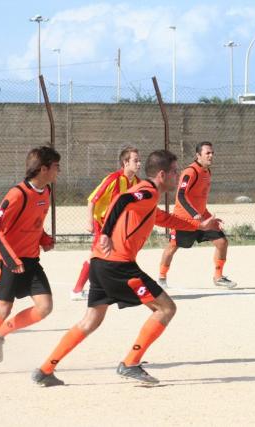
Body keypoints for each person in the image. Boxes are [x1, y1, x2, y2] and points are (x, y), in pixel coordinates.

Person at [31, 149, 221, 387]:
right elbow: (121, 200)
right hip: (118, 265)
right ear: (162, 175)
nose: (177, 174)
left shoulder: (148, 196)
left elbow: (163, 218)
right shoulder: (147, 190)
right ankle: (130, 363)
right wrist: (106, 233)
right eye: (174, 171)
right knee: (166, 308)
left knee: (90, 321)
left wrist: (199, 226)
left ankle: (45, 369)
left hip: (100, 263)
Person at [0, 146, 61, 376]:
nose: (59, 170)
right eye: (56, 166)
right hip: (9, 260)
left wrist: (44, 238)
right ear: (43, 169)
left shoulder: (46, 191)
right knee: (2, 309)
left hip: (31, 259)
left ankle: (1, 334)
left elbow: (33, 223)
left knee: (45, 307)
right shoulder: (18, 194)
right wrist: (10, 259)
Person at [158, 142, 236, 289]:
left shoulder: (207, 172)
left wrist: (209, 217)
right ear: (198, 155)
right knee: (172, 247)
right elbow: (181, 196)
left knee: (222, 242)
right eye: (207, 153)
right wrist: (194, 214)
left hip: (201, 218)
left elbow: (199, 200)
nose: (211, 156)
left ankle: (218, 277)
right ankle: (161, 278)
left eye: (212, 153)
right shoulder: (190, 172)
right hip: (184, 219)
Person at [71, 146, 141, 300]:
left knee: (120, 256)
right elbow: (92, 200)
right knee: (96, 255)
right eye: (135, 160)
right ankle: (77, 290)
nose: (139, 164)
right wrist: (90, 222)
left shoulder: (137, 182)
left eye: (139, 160)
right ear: (125, 162)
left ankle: (114, 288)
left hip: (118, 226)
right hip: (102, 224)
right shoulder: (113, 179)